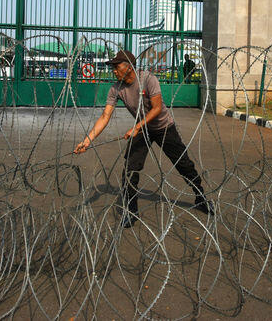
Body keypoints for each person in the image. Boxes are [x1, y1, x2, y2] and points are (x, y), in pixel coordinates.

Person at [73, 50, 213, 228]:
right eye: (113, 68)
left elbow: (156, 109)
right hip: (142, 129)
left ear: (129, 67)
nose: (114, 71)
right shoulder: (116, 88)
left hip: (163, 127)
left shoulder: (148, 79)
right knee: (130, 169)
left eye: (117, 67)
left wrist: (137, 127)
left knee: (184, 164)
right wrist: (87, 141)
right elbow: (104, 117)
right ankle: (131, 210)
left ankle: (200, 197)